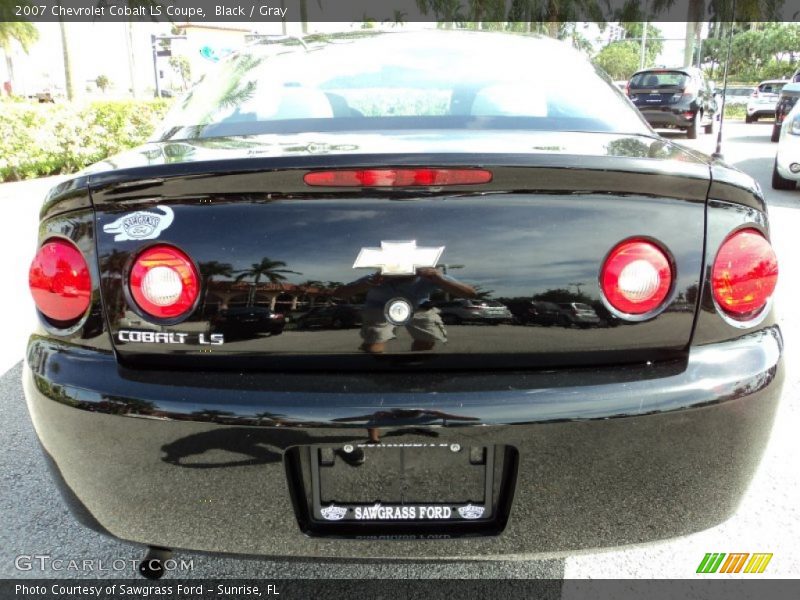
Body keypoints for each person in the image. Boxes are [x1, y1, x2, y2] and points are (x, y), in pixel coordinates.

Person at [335, 267, 475, 353]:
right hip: (380, 308)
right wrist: (367, 283)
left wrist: (440, 280)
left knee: (427, 340)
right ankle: (373, 365)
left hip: (418, 307)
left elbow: (470, 294)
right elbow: (339, 294)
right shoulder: (375, 278)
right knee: (376, 340)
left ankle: (415, 366)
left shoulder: (429, 276)